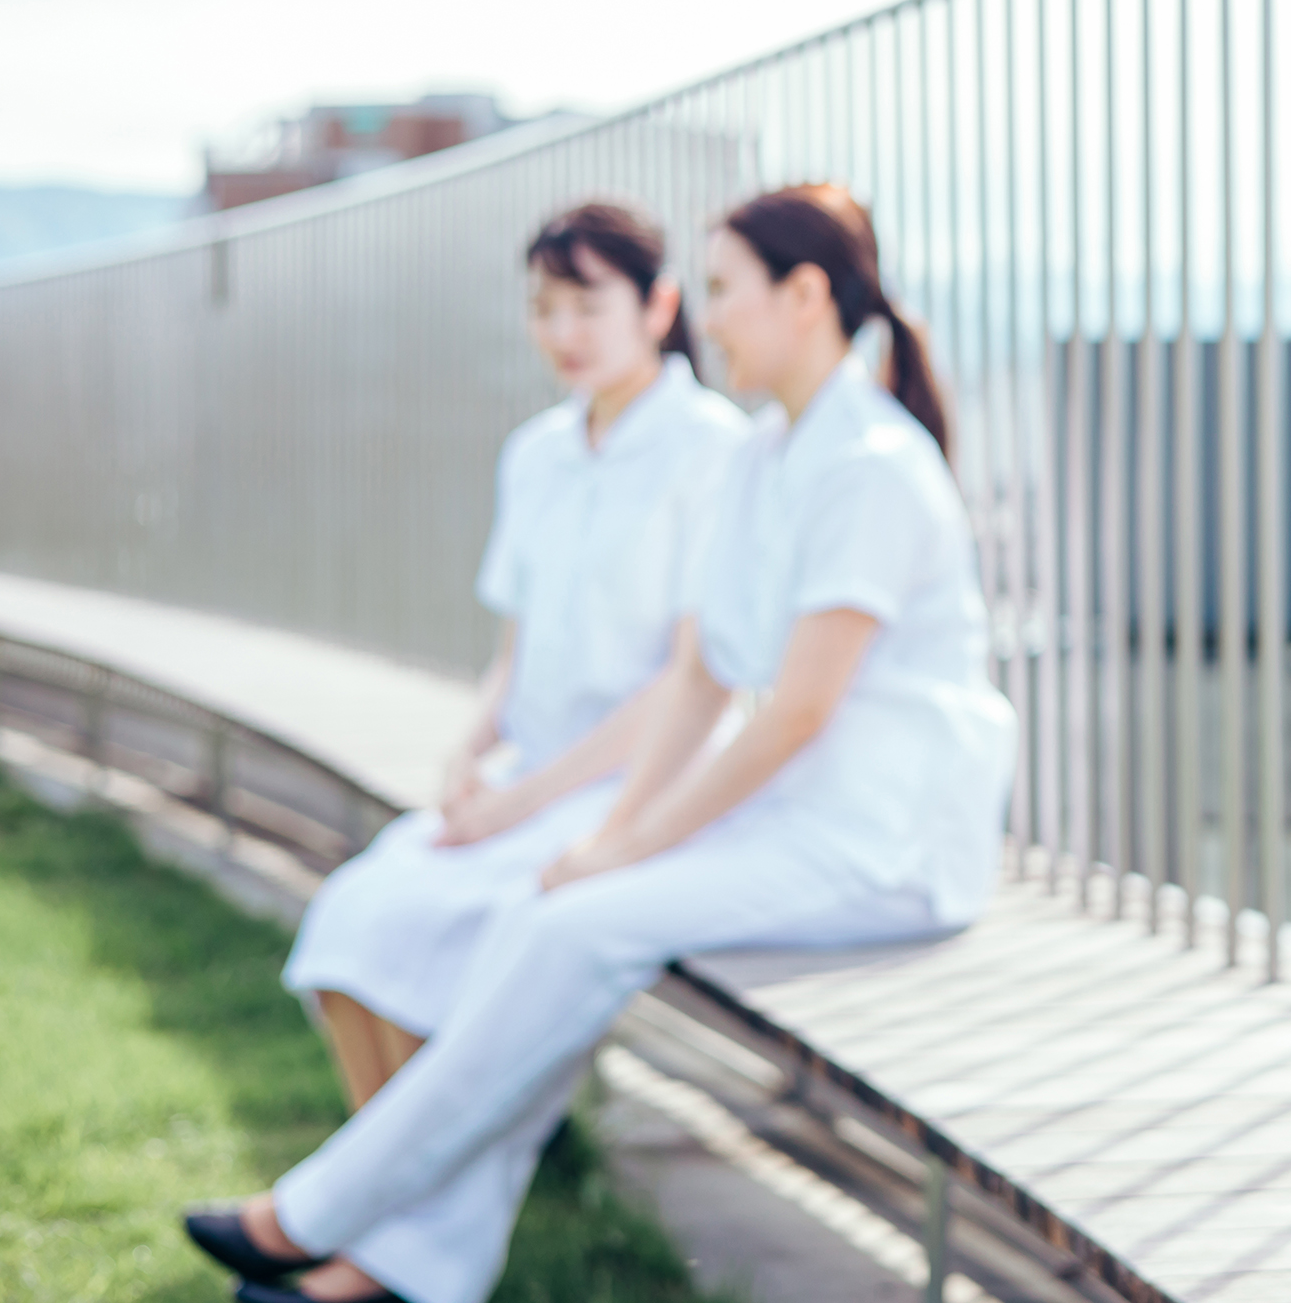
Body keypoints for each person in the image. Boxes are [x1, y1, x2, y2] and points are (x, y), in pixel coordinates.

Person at [185, 184, 1016, 1303]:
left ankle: (317, 1215)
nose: (707, 318)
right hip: (805, 816)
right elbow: (703, 673)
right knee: (552, 913)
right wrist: (617, 832)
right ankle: (382, 1250)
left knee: (577, 924)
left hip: (887, 841)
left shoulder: (868, 462)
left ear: (805, 294)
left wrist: (624, 847)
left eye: (723, 290)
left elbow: (796, 712)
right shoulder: (773, 454)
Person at [282, 200, 747, 1108]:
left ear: (659, 306)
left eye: (587, 304)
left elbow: (689, 684)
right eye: (543, 308)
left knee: (445, 928)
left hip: (638, 789)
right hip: (529, 780)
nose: (562, 332)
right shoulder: (535, 453)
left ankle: (401, 1204)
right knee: (350, 919)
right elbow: (516, 650)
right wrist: (465, 759)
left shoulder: (714, 450)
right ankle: (391, 1195)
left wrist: (521, 802)